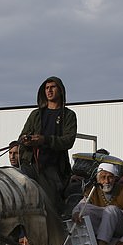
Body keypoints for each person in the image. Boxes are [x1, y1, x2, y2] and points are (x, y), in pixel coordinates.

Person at [18, 76, 77, 215]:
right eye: (46, 88)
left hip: (54, 169)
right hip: (32, 166)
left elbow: (68, 140)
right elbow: (21, 137)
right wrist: (26, 141)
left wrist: (45, 140)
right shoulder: (36, 114)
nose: (49, 90)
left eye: (52, 87)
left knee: (51, 208)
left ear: (60, 91)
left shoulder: (68, 115)